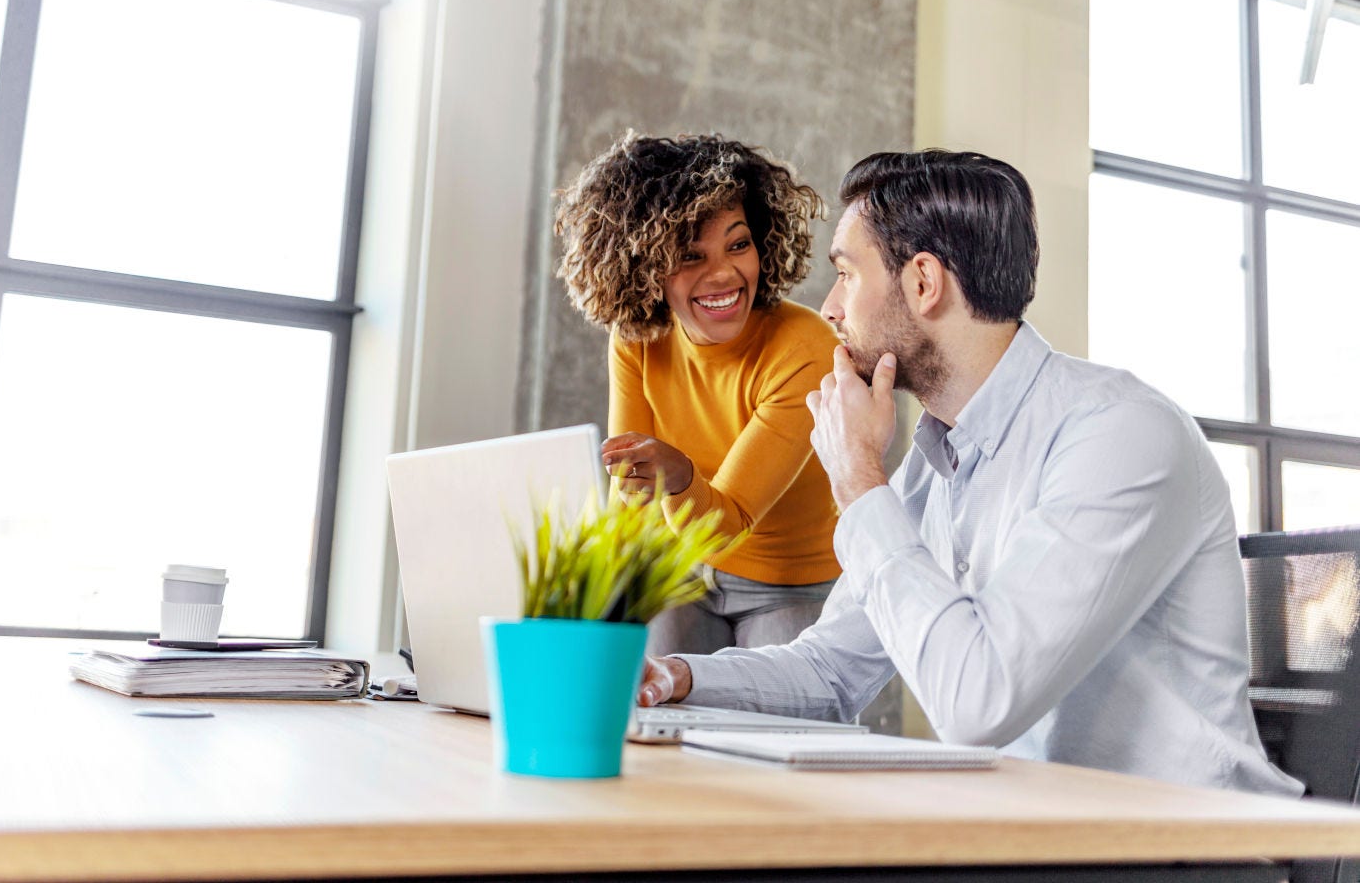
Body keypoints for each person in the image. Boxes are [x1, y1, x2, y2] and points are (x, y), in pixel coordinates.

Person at [637, 148, 1301, 795]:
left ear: (923, 283)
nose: (831, 308)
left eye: (847, 274)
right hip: (1038, 834)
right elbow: (829, 669)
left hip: (1188, 848)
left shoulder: (1119, 435)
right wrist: (672, 677)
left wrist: (858, 479)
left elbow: (977, 705)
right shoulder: (939, 463)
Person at [554, 131, 841, 655]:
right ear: (645, 268)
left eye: (738, 244)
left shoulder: (805, 348)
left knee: (770, 732)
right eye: (690, 255)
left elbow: (728, 521)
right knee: (652, 722)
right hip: (682, 568)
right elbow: (632, 496)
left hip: (789, 584)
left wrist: (677, 474)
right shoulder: (639, 338)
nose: (724, 273)